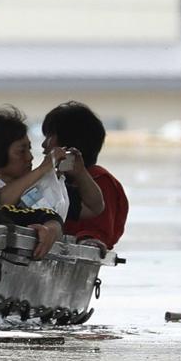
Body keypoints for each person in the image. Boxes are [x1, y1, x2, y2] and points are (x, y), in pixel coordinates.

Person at [0, 106, 103, 220]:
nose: (30, 157)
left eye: (29, 149)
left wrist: (80, 173)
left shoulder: (39, 187)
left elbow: (94, 208)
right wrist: (42, 169)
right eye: (21, 151)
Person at [42, 101, 128, 251]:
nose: (44, 145)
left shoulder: (101, 180)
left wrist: (88, 240)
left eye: (50, 136)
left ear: (68, 144)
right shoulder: (52, 181)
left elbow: (98, 231)